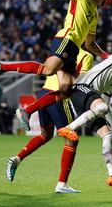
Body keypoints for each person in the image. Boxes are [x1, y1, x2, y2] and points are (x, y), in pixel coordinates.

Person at [0, 0, 110, 130]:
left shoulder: (95, 14)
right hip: (65, 39)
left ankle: (27, 111)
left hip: (74, 48)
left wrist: (107, 57)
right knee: (47, 70)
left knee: (65, 90)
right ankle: (3, 67)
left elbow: (90, 43)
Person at [6, 49, 94, 193]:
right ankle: (62, 184)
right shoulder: (87, 56)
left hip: (44, 93)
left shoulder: (63, 49)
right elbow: (81, 81)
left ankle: (17, 158)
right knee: (72, 138)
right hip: (57, 96)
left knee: (45, 135)